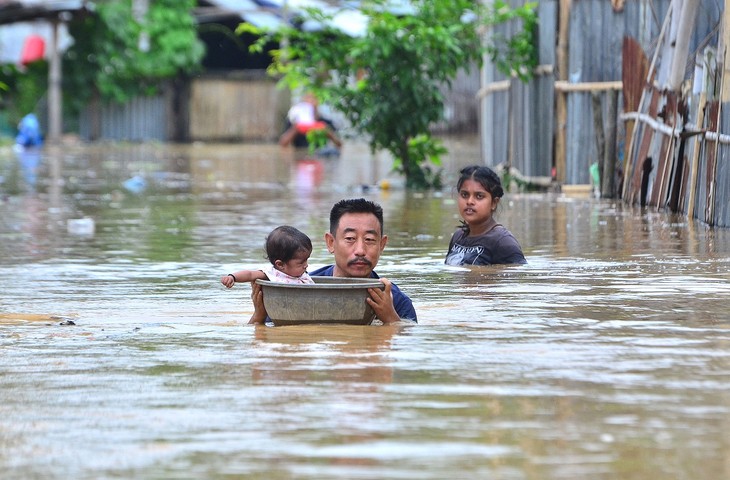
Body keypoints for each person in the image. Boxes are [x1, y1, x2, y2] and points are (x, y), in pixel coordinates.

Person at [249, 198, 417, 324]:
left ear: (382, 245)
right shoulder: (301, 289)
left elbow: (410, 346)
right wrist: (259, 316)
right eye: (350, 238)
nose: (360, 250)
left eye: (369, 240)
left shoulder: (397, 302)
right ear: (331, 242)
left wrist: (391, 319)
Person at [445, 165, 527, 266]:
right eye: (464, 195)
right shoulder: (458, 237)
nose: (470, 201)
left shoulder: (503, 242)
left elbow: (518, 276)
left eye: (479, 196)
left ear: (494, 203)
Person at [221, 225, 314, 288]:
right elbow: (250, 274)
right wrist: (232, 277)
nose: (306, 265)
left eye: (306, 260)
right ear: (280, 264)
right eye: (301, 263)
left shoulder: (302, 275)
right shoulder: (273, 274)